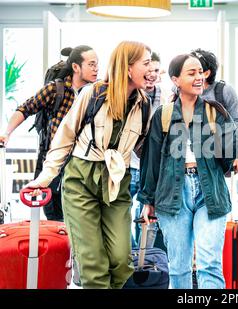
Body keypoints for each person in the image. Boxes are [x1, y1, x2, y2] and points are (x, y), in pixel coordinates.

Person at [25, 41, 153, 289]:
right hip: (81, 180)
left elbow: (143, 148)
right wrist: (44, 178)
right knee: (93, 262)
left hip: (117, 181)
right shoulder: (93, 94)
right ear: (127, 68)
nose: (151, 69)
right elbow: (64, 138)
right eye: (146, 63)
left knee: (120, 259)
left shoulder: (144, 104)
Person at [137, 53, 238, 289]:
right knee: (179, 267)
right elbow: (151, 161)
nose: (199, 77)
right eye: (191, 73)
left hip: (210, 191)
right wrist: (147, 200)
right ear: (175, 80)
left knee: (209, 263)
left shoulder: (215, 111)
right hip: (172, 194)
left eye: (200, 72)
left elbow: (227, 157)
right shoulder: (164, 114)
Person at [0, 45, 98, 222]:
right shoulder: (55, 89)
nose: (96, 69)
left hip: (82, 166)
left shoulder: (95, 93)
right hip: (54, 163)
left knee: (80, 219)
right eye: (91, 64)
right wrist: (7, 133)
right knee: (56, 220)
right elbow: (25, 108)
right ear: (76, 67)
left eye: (97, 64)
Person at [129, 51, 169, 248]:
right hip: (129, 165)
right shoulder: (132, 96)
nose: (152, 74)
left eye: (156, 70)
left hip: (151, 168)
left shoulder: (167, 100)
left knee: (148, 214)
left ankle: (145, 257)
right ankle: (131, 254)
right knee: (120, 214)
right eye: (148, 69)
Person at [190, 48, 238, 173]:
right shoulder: (180, 91)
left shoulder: (224, 91)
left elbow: (237, 122)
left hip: (218, 160)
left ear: (206, 73)